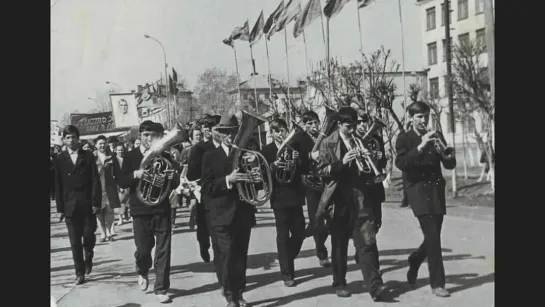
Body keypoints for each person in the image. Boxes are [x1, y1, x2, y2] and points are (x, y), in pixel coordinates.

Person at [315, 107, 388, 301]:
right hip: (338, 202)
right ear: (339, 125)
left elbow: (370, 173)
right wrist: (342, 162)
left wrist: (369, 159)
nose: (353, 129)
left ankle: (375, 286)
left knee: (366, 243)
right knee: (339, 246)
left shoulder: (360, 141)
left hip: (360, 199)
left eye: (355, 125)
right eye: (349, 126)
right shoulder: (327, 143)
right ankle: (339, 283)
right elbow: (321, 170)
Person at [395, 101, 457, 298]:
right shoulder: (404, 138)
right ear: (411, 117)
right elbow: (402, 163)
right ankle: (438, 284)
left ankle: (415, 259)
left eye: (426, 116)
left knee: (433, 236)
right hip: (418, 192)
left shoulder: (436, 135)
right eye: (420, 116)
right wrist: (421, 146)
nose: (424, 120)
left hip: (436, 191)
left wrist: (446, 155)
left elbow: (450, 165)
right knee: (433, 237)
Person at [114, 120, 178, 303]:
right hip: (140, 209)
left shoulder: (165, 155)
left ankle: (161, 288)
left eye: (152, 135)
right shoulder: (131, 156)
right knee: (143, 250)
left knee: (163, 250)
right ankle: (142, 270)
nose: (149, 139)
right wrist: (136, 174)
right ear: (140, 136)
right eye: (145, 135)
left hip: (161, 207)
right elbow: (122, 182)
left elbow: (174, 183)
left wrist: (173, 177)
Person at [201, 114, 256, 307]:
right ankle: (230, 296)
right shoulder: (210, 156)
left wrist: (255, 177)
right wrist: (227, 180)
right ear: (220, 134)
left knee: (241, 255)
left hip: (243, 212)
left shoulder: (246, 155)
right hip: (221, 214)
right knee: (227, 255)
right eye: (226, 132)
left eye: (234, 132)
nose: (230, 136)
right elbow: (206, 188)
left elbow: (257, 184)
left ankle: (239, 293)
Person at [261, 118, 307, 287]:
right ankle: (287, 273)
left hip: (295, 195)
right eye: (277, 131)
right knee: (282, 235)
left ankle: (286, 257)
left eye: (283, 130)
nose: (281, 134)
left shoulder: (294, 148)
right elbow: (262, 176)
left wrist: (298, 159)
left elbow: (304, 170)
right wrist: (273, 166)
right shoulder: (266, 151)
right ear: (272, 133)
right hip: (279, 197)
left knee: (300, 233)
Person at [54, 125, 101, 285]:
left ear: (78, 138)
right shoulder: (60, 159)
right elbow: (58, 185)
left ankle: (89, 254)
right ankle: (79, 273)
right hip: (70, 205)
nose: (71, 140)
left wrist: (96, 202)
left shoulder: (87, 156)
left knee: (88, 235)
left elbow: (95, 180)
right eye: (68, 137)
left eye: (74, 137)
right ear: (64, 140)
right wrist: (60, 208)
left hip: (87, 203)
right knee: (74, 242)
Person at [353, 111, 387, 273]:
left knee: (377, 223)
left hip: (375, 186)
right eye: (358, 123)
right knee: (367, 226)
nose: (361, 126)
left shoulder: (376, 139)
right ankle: (373, 265)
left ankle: (362, 251)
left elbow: (383, 161)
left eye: (364, 122)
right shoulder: (352, 141)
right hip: (360, 188)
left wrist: (379, 157)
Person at [298, 110, 331, 268]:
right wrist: (310, 156)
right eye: (309, 123)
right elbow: (297, 158)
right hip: (310, 184)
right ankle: (321, 251)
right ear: (304, 125)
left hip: (327, 182)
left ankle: (309, 232)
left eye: (315, 122)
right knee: (317, 219)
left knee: (330, 219)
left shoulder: (326, 137)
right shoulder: (300, 138)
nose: (313, 126)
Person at [187, 115, 221, 265]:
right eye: (207, 128)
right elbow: (191, 174)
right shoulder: (198, 148)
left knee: (217, 228)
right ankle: (204, 245)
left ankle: (219, 256)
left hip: (221, 191)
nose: (209, 130)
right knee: (203, 225)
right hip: (204, 191)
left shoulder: (224, 146)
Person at [93, 135, 122, 242]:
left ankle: (109, 231)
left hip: (110, 187)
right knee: (99, 212)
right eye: (100, 143)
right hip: (97, 188)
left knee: (110, 211)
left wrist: (120, 184)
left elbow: (118, 172)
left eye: (104, 143)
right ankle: (102, 234)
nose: (102, 145)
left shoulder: (112, 157)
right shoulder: (92, 157)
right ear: (95, 145)